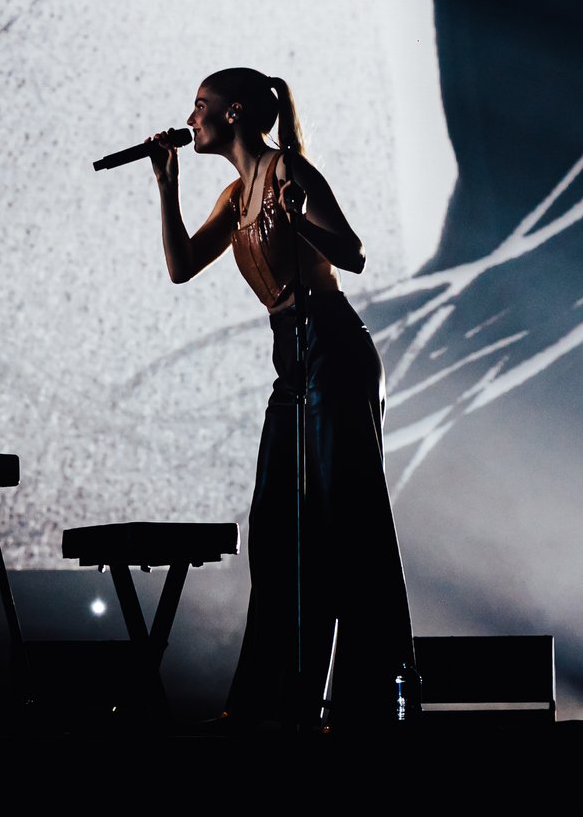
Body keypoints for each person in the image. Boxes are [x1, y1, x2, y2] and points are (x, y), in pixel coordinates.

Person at [142, 67, 416, 727]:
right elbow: (181, 266)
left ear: (236, 112)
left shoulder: (290, 169)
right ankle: (275, 701)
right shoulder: (236, 194)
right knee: (276, 531)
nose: (193, 116)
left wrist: (300, 219)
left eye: (201, 105)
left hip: (334, 349)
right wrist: (167, 181)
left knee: (346, 523)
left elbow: (351, 253)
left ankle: (372, 699)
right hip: (291, 361)